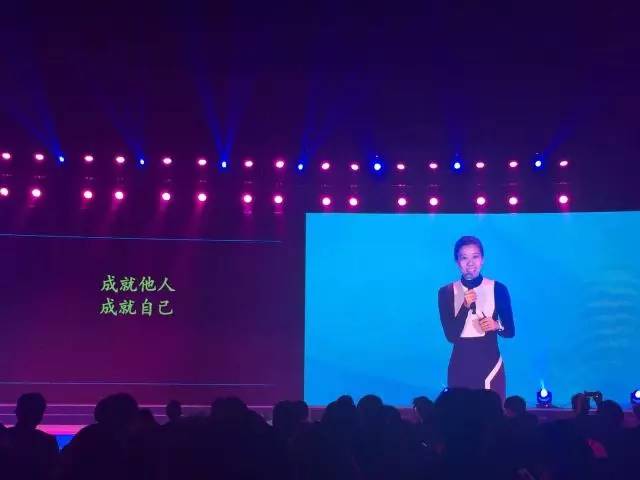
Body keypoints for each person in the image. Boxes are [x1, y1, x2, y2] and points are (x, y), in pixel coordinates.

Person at [438, 236, 515, 401]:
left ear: (482, 260)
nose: (470, 263)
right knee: (459, 413)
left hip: (490, 363)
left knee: (491, 412)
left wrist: (496, 325)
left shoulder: (498, 288)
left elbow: (510, 331)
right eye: (464, 258)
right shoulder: (446, 292)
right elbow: (451, 336)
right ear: (457, 262)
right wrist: (465, 306)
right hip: (460, 364)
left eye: (475, 256)